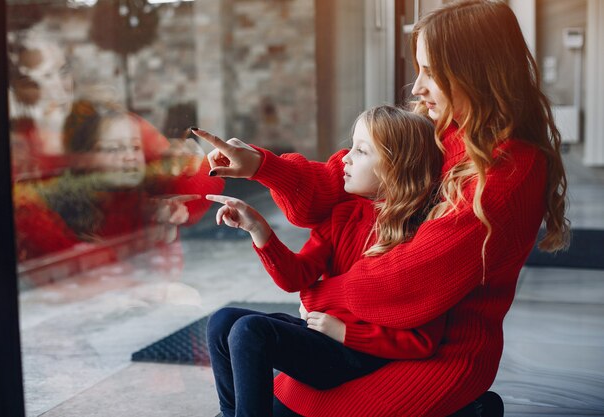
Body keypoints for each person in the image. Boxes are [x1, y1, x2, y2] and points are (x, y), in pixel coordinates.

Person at [194, 1, 570, 416]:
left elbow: (408, 281)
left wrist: (322, 296)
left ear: (475, 72)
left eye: (431, 72)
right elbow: (332, 186)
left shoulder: (508, 171)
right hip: (370, 327)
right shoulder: (435, 129)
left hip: (435, 353)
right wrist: (264, 167)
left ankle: (471, 410)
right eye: (418, 70)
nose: (416, 88)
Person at [204, 106, 446, 417]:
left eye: (360, 151)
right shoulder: (343, 214)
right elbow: (296, 278)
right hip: (322, 335)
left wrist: (344, 332)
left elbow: (423, 340)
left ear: (395, 166)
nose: (344, 158)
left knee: (251, 331)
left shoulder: (418, 234)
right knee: (223, 321)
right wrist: (258, 229)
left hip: (360, 353)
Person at [14, 98, 223, 262]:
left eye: (134, 147)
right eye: (114, 149)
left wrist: (164, 226)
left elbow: (163, 271)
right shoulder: (53, 208)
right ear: (79, 158)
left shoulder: (139, 201)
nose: (129, 156)